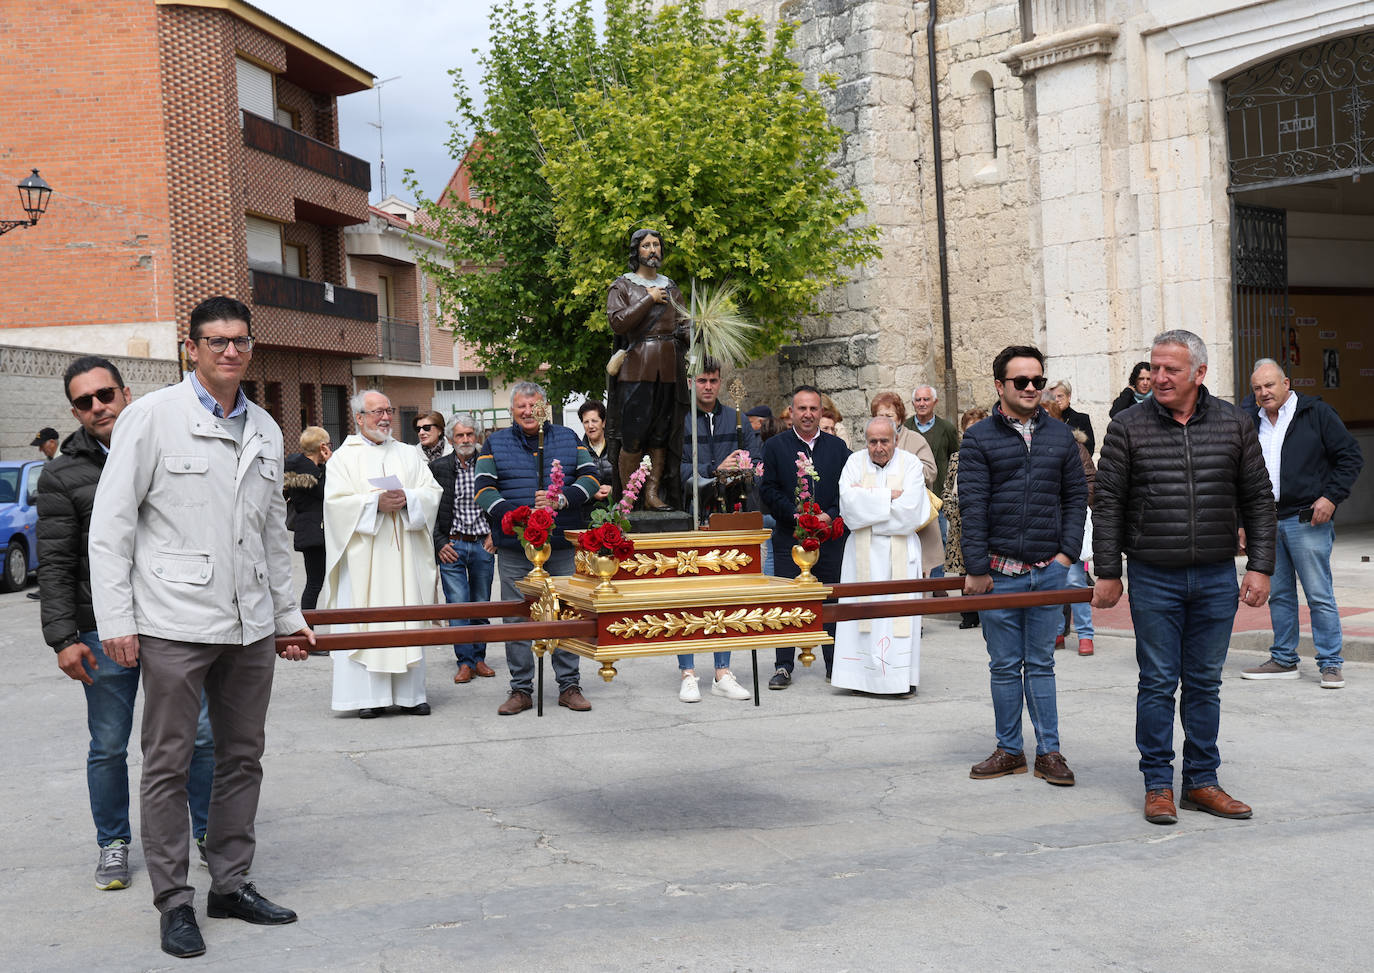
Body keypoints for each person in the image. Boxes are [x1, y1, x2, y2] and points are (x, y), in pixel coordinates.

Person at [88, 295, 313, 959]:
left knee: (243, 756)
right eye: (215, 341)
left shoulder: (267, 429)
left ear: (251, 346)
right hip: (174, 621)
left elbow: (274, 535)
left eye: (239, 340)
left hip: (249, 625)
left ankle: (231, 883)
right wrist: (116, 619)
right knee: (168, 761)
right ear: (191, 348)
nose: (229, 351)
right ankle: (174, 901)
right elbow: (112, 526)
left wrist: (288, 615)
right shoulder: (152, 418)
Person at [38, 355, 215, 893]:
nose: (98, 407)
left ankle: (209, 833)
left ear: (125, 392)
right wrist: (63, 639)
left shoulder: (164, 443)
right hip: (98, 627)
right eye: (84, 402)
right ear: (74, 410)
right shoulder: (62, 472)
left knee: (201, 736)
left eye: (105, 395)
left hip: (172, 620)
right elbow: (56, 562)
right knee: (109, 744)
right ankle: (112, 843)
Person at [1093, 329, 1276, 826]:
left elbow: (1259, 499)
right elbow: (1107, 503)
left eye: (1171, 369)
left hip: (1217, 577)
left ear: (1199, 373)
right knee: (1156, 683)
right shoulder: (1127, 426)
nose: (1159, 377)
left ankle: (1201, 781)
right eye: (1154, 367)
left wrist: (1260, 566)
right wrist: (1108, 572)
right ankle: (1157, 785)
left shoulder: (1236, 424)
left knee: (1204, 684)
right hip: (1154, 576)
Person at [959, 345, 1087, 787]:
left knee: (1042, 663)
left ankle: (1049, 753)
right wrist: (977, 569)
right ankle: (1009, 749)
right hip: (998, 573)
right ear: (1000, 386)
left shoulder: (1059, 436)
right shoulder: (978, 438)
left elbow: (1076, 497)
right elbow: (971, 508)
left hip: (1047, 569)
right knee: (1003, 665)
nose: (1032, 388)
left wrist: (1067, 554)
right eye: (1022, 381)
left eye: (1038, 380)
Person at [475, 381, 601, 715]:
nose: (528, 412)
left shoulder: (567, 438)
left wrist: (563, 498)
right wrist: (516, 517)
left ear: (544, 408)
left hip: (560, 544)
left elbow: (590, 478)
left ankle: (569, 685)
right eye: (521, 407)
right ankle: (520, 689)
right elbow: (483, 490)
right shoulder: (494, 442)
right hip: (517, 547)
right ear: (512, 411)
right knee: (517, 618)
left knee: (564, 614)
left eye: (534, 406)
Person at [1240, 359, 1363, 689]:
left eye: (1269, 385)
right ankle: (1283, 659)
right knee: (1278, 594)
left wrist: (1331, 497)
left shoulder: (1315, 413)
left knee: (1319, 594)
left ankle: (1331, 663)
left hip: (1306, 519)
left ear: (1286, 383)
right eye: (1257, 388)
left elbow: (1350, 456)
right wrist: (1242, 521)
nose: (1264, 392)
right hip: (1265, 522)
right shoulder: (1250, 420)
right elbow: (1239, 474)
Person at [322, 390, 442, 719]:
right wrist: (374, 504)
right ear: (359, 418)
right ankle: (367, 697)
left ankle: (410, 696)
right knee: (366, 622)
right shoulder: (343, 458)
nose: (385, 417)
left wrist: (409, 499)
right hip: (364, 561)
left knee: (405, 619)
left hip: (404, 555)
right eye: (376, 412)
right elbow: (334, 506)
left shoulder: (408, 454)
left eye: (388, 410)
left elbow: (432, 491)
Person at [832, 416, 933, 696]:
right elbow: (849, 510)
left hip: (900, 555)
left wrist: (869, 504)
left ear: (896, 440)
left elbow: (911, 513)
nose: (878, 447)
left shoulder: (910, 464)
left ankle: (899, 680)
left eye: (884, 441)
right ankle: (859, 679)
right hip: (861, 555)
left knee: (897, 619)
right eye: (873, 441)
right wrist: (889, 496)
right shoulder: (854, 463)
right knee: (863, 617)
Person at [760, 385, 851, 688]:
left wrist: (831, 514)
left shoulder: (837, 448)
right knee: (787, 601)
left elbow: (848, 490)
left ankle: (834, 665)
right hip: (790, 538)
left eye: (814, 409)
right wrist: (794, 514)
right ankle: (784, 665)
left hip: (829, 538)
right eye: (802, 409)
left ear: (822, 412)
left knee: (829, 600)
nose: (808, 414)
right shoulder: (775, 447)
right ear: (792, 413)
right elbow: (768, 490)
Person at [606, 228, 689, 510]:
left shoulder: (672, 286)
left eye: (656, 245)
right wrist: (648, 299)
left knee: (661, 433)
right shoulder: (623, 286)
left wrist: (699, 330)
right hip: (637, 365)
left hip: (669, 366)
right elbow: (618, 322)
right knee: (633, 432)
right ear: (636, 251)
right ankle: (629, 495)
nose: (653, 250)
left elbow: (683, 324)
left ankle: (653, 493)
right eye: (646, 245)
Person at [432, 412, 497, 685]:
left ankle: (479, 658)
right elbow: (430, 511)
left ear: (478, 436)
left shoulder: (490, 464)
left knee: (481, 605)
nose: (466, 439)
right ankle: (464, 662)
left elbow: (501, 500)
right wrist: (439, 542)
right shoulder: (439, 468)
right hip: (453, 545)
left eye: (470, 434)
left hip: (483, 544)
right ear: (450, 438)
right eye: (460, 435)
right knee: (458, 606)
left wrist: (497, 534)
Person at [1042, 391, 1097, 656]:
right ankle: (1056, 631)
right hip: (1043, 526)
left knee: (1075, 581)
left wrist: (1071, 504)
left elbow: (1090, 482)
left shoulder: (1076, 448)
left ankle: (1085, 635)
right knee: (1051, 584)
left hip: (1071, 523)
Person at [681, 355, 763, 522]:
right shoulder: (680, 421)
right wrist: (713, 470)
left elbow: (756, 463)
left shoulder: (738, 419)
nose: (708, 387)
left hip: (735, 508)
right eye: (702, 381)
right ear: (691, 383)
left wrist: (740, 471)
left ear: (720, 382)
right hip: (695, 510)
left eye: (713, 381)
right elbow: (675, 469)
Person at [905, 384, 959, 584]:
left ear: (935, 402)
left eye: (926, 399)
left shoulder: (947, 429)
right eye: (918, 400)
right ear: (913, 403)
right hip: (913, 495)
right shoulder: (906, 428)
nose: (922, 403)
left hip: (938, 494)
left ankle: (937, 583)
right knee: (914, 539)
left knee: (939, 539)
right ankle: (916, 581)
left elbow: (954, 456)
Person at [941, 406, 989, 629]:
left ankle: (986, 611)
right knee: (963, 569)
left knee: (985, 565)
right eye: (968, 430)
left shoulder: (992, 455)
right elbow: (947, 490)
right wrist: (954, 513)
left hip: (986, 521)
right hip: (961, 521)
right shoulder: (956, 458)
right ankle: (968, 614)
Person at [284, 426, 331, 611]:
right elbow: (325, 491)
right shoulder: (307, 472)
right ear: (322, 447)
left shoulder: (306, 468)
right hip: (314, 533)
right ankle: (307, 625)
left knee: (315, 582)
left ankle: (308, 624)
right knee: (314, 583)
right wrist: (330, 464)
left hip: (312, 531)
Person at [869, 391, 936, 487]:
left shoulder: (916, 440)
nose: (884, 420)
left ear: (899, 419)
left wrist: (901, 466)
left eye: (889, 416)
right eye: (880, 416)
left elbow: (930, 473)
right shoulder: (870, 443)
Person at [578, 400, 614, 500]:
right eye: (586, 422)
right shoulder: (578, 451)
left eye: (594, 421)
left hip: (618, 509)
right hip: (588, 512)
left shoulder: (617, 449)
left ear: (603, 422)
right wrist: (591, 492)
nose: (590, 426)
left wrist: (614, 490)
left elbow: (629, 480)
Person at [1048, 379, 1095, 456]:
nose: (1056, 400)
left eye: (1060, 396)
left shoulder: (1082, 419)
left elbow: (1089, 450)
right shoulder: (1044, 420)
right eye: (1053, 397)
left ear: (1069, 396)